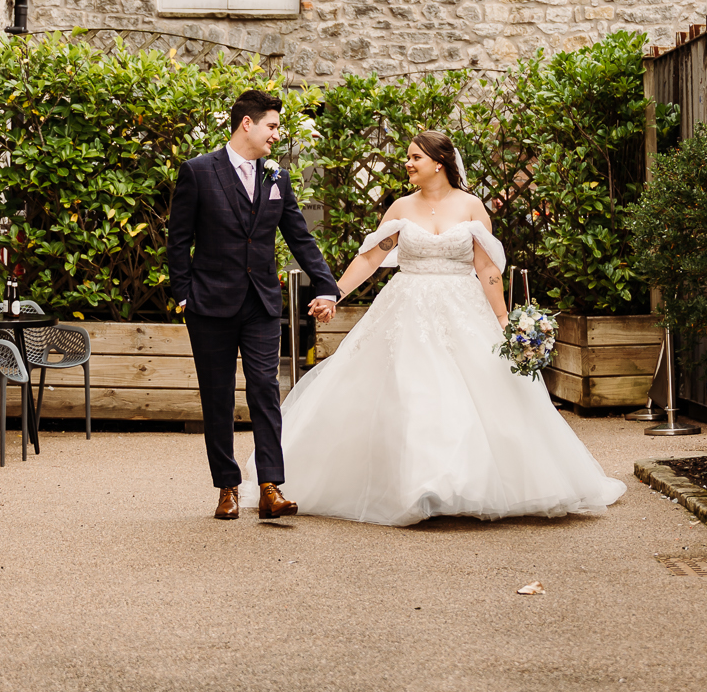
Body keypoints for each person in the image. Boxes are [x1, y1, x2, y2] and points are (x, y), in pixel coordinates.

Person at [244, 130, 627, 526]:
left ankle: (467, 483)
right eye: (407, 158)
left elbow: (487, 267)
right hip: (407, 308)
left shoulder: (472, 207)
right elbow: (370, 259)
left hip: (464, 310)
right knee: (414, 393)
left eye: (415, 157)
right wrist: (332, 294)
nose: (407, 164)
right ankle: (421, 486)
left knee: (478, 395)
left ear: (439, 162)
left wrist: (501, 320)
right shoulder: (400, 208)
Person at [167, 90, 339, 522]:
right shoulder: (199, 172)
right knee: (218, 395)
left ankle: (269, 487)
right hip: (209, 304)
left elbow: (300, 236)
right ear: (248, 123)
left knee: (265, 389)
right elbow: (178, 240)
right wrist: (184, 294)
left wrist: (327, 286)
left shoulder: (276, 177)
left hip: (262, 302)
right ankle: (227, 487)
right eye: (273, 126)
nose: (276, 135)